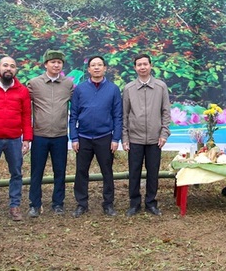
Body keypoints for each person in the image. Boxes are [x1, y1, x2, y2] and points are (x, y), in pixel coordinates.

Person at [0, 56, 32, 222]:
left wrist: (27, 139)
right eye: (5, 65)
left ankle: (15, 206)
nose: (8, 69)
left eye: (12, 66)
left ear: (15, 70)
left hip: (14, 139)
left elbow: (26, 116)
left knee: (16, 173)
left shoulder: (22, 90)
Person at [69, 56, 122, 218]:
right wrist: (74, 138)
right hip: (83, 137)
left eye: (100, 65)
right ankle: (81, 203)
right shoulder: (80, 89)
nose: (97, 68)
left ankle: (108, 204)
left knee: (107, 171)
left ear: (105, 68)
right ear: (89, 69)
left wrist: (115, 139)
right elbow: (73, 115)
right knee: (81, 171)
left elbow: (117, 116)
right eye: (93, 65)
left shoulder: (113, 89)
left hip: (105, 136)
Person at [122, 53, 171, 217]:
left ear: (150, 66)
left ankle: (151, 203)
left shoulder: (160, 87)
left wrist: (164, 133)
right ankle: (134, 203)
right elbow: (124, 115)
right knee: (134, 172)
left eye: (145, 64)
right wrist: (125, 138)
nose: (142, 67)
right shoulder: (129, 88)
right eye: (139, 65)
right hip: (135, 138)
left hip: (155, 139)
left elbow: (166, 112)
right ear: (135, 68)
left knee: (153, 172)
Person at [27, 49, 73, 217]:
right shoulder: (34, 83)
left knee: (60, 171)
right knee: (36, 171)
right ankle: (34, 204)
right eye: (52, 62)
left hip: (60, 136)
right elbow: (24, 106)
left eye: (59, 62)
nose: (56, 65)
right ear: (45, 64)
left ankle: (58, 203)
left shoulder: (68, 84)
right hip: (40, 135)